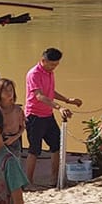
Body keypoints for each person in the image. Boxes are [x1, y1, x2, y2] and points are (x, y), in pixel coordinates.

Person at [24, 48, 82, 186]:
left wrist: (68, 100)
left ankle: (55, 179)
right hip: (34, 116)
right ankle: (28, 182)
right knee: (34, 150)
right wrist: (59, 107)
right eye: (51, 64)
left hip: (48, 115)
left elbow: (50, 92)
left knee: (57, 145)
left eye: (56, 65)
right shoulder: (34, 74)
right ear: (43, 60)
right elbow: (39, 96)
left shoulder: (50, 73)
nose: (53, 67)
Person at [0, 78, 26, 154]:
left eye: (11, 90)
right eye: (5, 90)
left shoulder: (18, 110)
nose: (9, 93)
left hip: (14, 142)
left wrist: (14, 138)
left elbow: (23, 127)